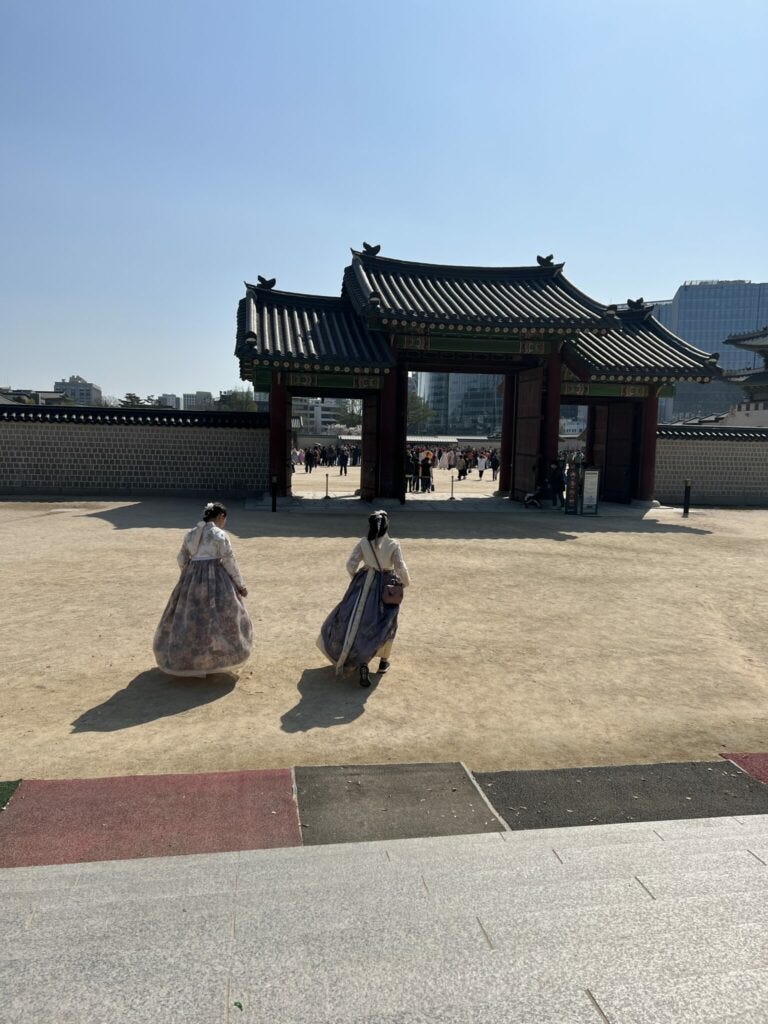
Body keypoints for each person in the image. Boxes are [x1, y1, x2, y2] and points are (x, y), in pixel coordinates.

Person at [153, 502, 252, 677]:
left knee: (190, 618)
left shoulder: (190, 534)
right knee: (221, 616)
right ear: (221, 516)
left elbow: (181, 558)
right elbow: (229, 560)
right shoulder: (219, 535)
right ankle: (216, 658)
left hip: (191, 578)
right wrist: (239, 584)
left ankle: (190, 659)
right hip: (216, 577)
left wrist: (190, 574)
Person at [318, 510, 411, 686]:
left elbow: (350, 564)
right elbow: (401, 567)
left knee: (356, 622)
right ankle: (383, 661)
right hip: (386, 588)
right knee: (386, 623)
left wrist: (358, 578)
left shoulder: (363, 543)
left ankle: (360, 661)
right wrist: (404, 584)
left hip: (364, 585)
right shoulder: (393, 544)